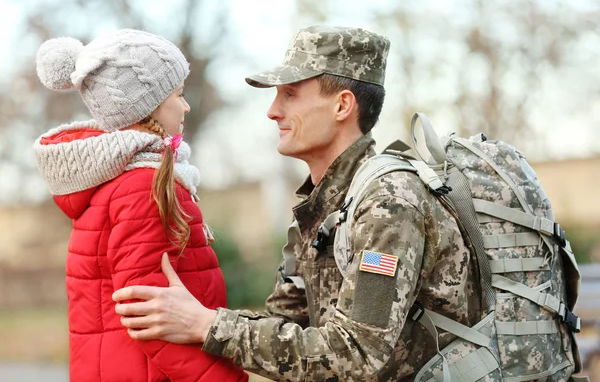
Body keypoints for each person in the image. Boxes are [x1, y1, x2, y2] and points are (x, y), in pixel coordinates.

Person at [112, 26, 482, 381]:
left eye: (289, 94)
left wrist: (206, 324)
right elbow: (284, 325)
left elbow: (358, 354)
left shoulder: (389, 203)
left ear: (342, 106)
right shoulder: (325, 207)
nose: (272, 111)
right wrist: (192, 317)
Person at [33, 29, 248, 382]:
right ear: (148, 105)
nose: (186, 106)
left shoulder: (118, 180)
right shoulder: (144, 187)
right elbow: (152, 314)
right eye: (178, 95)